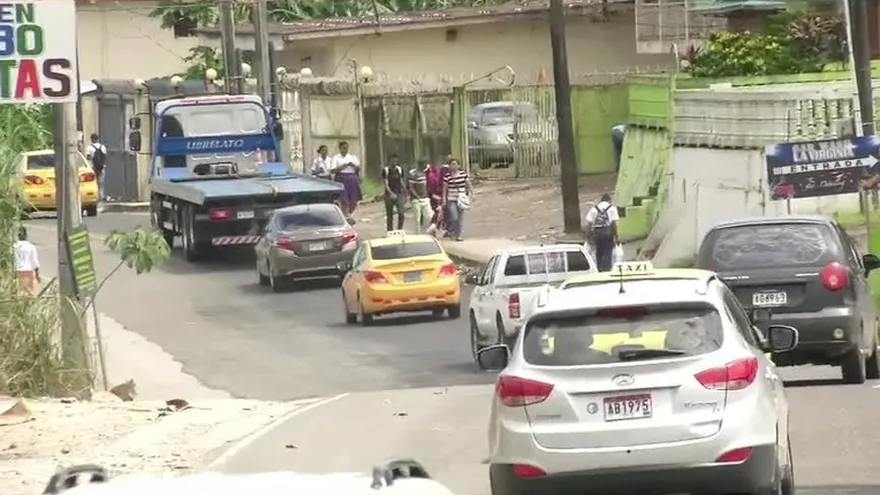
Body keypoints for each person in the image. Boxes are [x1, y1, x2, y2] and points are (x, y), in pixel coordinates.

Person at [585, 193, 620, 272]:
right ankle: (606, 271)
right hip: (608, 234)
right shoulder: (612, 208)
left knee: (599, 253)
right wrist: (616, 236)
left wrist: (588, 237)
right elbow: (614, 224)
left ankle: (600, 270)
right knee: (607, 253)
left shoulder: (594, 209)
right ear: (609, 200)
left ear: (601, 200)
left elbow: (589, 224)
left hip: (597, 235)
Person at [441, 158, 472, 242]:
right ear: (449, 166)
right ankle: (451, 231)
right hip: (451, 199)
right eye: (452, 164)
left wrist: (470, 194)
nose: (454, 166)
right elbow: (444, 189)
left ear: (459, 165)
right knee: (454, 217)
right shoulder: (447, 176)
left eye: (455, 164)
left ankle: (458, 235)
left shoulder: (463, 175)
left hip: (461, 199)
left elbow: (468, 185)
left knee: (460, 218)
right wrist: (444, 199)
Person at [330, 141, 362, 217]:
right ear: (340, 148)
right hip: (341, 178)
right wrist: (342, 166)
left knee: (354, 200)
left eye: (346, 148)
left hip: (352, 178)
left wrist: (353, 165)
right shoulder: (336, 158)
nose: (345, 150)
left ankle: (349, 213)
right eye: (343, 148)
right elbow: (332, 170)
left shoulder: (352, 157)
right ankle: (345, 215)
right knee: (344, 200)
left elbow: (358, 168)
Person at [382, 154, 406, 232]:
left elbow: (401, 180)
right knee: (390, 215)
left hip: (399, 193)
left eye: (396, 161)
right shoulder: (386, 170)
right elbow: (386, 183)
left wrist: (405, 190)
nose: (394, 163)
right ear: (389, 161)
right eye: (392, 161)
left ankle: (399, 230)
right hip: (389, 194)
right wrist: (391, 193)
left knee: (401, 214)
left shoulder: (399, 169)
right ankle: (390, 231)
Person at [408, 160, 433, 234]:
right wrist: (417, 196)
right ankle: (418, 234)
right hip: (416, 199)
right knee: (417, 219)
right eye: (424, 164)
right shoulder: (414, 174)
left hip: (425, 198)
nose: (426, 165)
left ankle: (426, 232)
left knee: (429, 216)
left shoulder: (426, 173)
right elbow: (411, 187)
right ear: (420, 165)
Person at [14, 226, 40, 293]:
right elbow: (35, 263)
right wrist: (37, 275)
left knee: (19, 292)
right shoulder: (31, 246)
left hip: (17, 272)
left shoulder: (14, 246)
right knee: (29, 292)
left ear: (18, 236)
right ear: (26, 235)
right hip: (28, 272)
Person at [86, 133, 108, 200]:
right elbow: (105, 156)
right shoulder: (102, 147)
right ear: (98, 139)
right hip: (101, 167)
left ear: (91, 139)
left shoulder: (90, 147)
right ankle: (101, 196)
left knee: (93, 183)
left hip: (93, 167)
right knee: (101, 183)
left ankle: (95, 196)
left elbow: (88, 157)